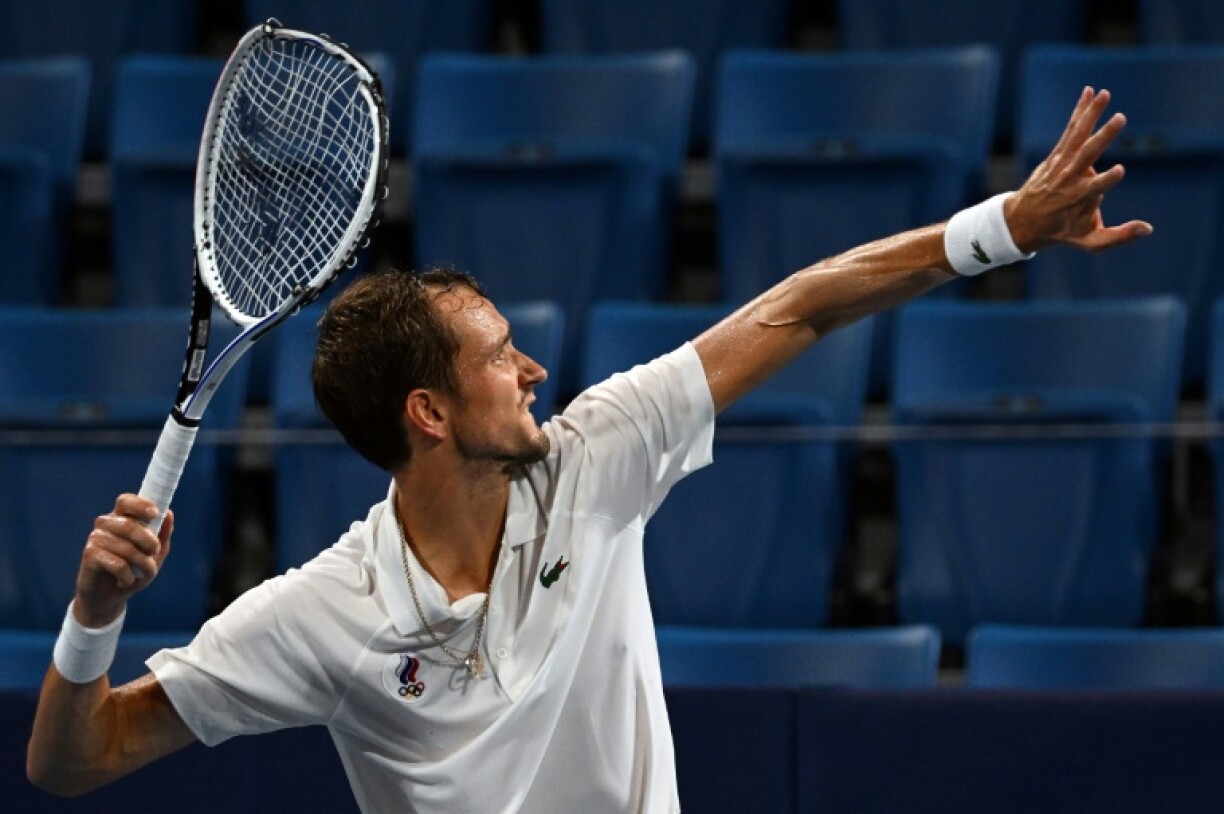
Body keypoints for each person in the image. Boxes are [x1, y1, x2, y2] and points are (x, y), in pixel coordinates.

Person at [27, 88, 1150, 812]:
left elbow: (801, 307)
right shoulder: (323, 613)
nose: (536, 373)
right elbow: (72, 760)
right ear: (427, 413)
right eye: (503, 356)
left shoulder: (593, 458)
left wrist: (1001, 228)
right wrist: (91, 614)